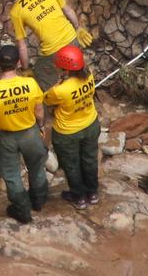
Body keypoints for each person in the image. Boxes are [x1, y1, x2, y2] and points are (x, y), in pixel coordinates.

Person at [0, 45, 49, 224]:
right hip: (30, 132)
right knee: (37, 167)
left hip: (6, 136)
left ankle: (22, 210)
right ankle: (38, 201)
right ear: (17, 63)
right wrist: (41, 125)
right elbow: (39, 110)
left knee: (12, 175)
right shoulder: (30, 83)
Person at [0, 0, 92, 91]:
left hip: (53, 50)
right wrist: (78, 28)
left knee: (41, 73)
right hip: (72, 38)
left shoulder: (16, 11)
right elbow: (68, 10)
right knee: (78, 67)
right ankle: (86, 88)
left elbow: (22, 46)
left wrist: (26, 69)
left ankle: (53, 102)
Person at [44, 45, 100, 210]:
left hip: (68, 132)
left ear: (64, 67)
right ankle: (93, 192)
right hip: (90, 123)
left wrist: (58, 82)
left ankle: (79, 197)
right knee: (89, 159)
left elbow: (47, 100)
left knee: (71, 164)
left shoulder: (60, 90)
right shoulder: (89, 76)